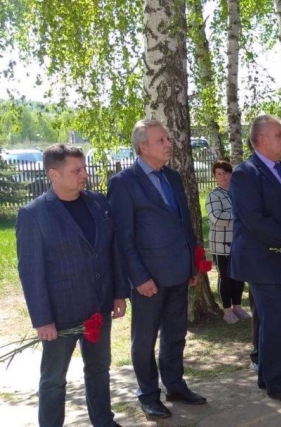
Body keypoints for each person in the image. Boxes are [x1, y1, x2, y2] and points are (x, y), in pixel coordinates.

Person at [16, 144, 129, 427]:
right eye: (76, 170)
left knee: (99, 369)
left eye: (84, 168)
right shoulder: (34, 214)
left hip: (99, 307)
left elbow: (111, 251)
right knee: (54, 380)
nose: (84, 175)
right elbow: (31, 272)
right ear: (53, 173)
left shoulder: (99, 203)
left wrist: (118, 293)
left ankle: (104, 421)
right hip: (60, 315)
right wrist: (43, 320)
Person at [108, 119, 206, 419]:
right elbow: (122, 237)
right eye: (161, 140)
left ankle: (175, 385)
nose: (168, 144)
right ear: (143, 147)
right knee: (145, 339)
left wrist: (192, 264)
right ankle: (149, 394)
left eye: (168, 139)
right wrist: (138, 277)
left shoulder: (173, 178)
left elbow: (183, 223)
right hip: (148, 279)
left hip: (178, 271)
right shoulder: (123, 183)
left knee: (176, 334)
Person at [229, 115, 281, 404]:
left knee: (278, 319)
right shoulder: (245, 173)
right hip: (261, 260)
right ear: (261, 139)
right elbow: (255, 219)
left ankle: (267, 375)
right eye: (280, 135)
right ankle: (279, 385)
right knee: (275, 320)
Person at [205, 160, 248, 324]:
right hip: (222, 244)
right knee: (226, 277)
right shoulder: (213, 195)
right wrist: (238, 218)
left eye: (226, 172)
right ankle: (227, 310)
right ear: (215, 177)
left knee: (239, 277)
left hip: (240, 242)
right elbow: (216, 217)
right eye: (219, 174)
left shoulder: (238, 193)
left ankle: (237, 306)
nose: (223, 177)